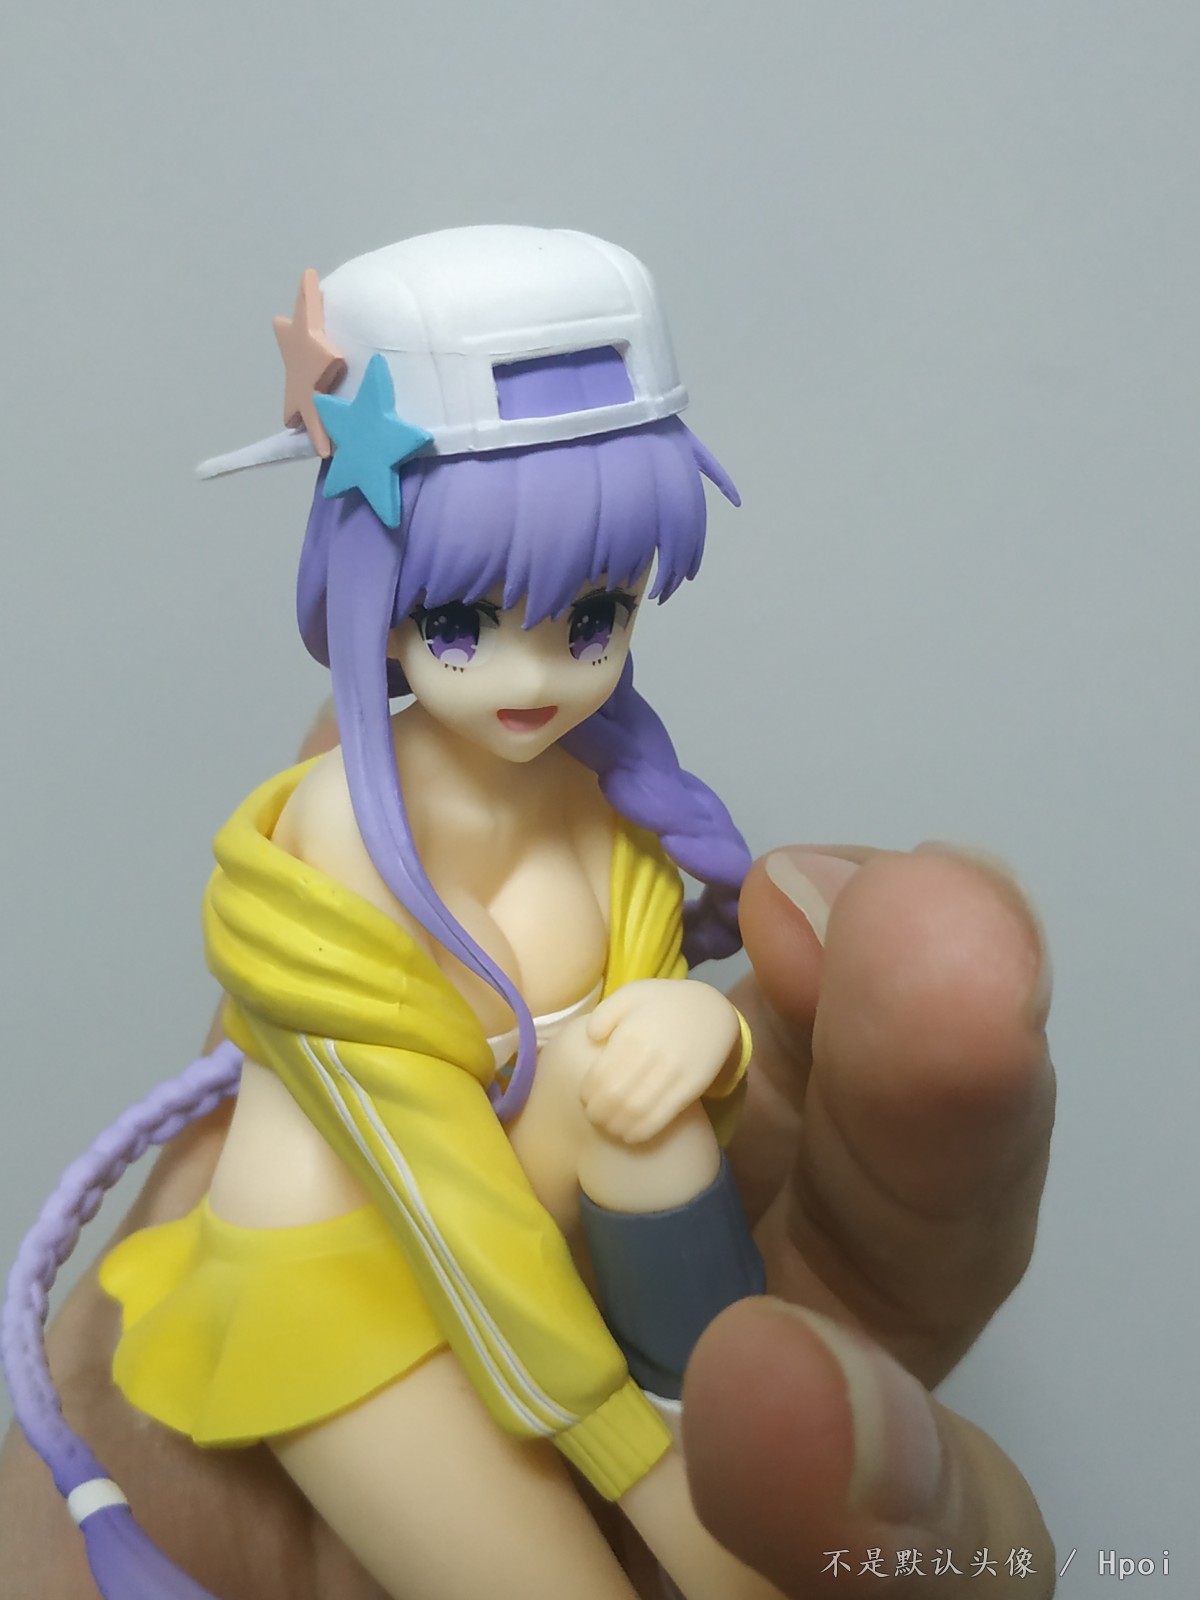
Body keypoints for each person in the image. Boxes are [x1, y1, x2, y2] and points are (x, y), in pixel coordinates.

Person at [0, 227, 1057, 1597]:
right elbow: (442, 1194)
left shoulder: (598, 803)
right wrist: (643, 1467)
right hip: (341, 1282)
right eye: (459, 622)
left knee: (652, 1108)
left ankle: (711, 1413)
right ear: (372, 593)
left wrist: (707, 1037)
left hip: (548, 1243)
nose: (535, 675)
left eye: (593, 616)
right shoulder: (344, 838)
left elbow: (623, 1099)